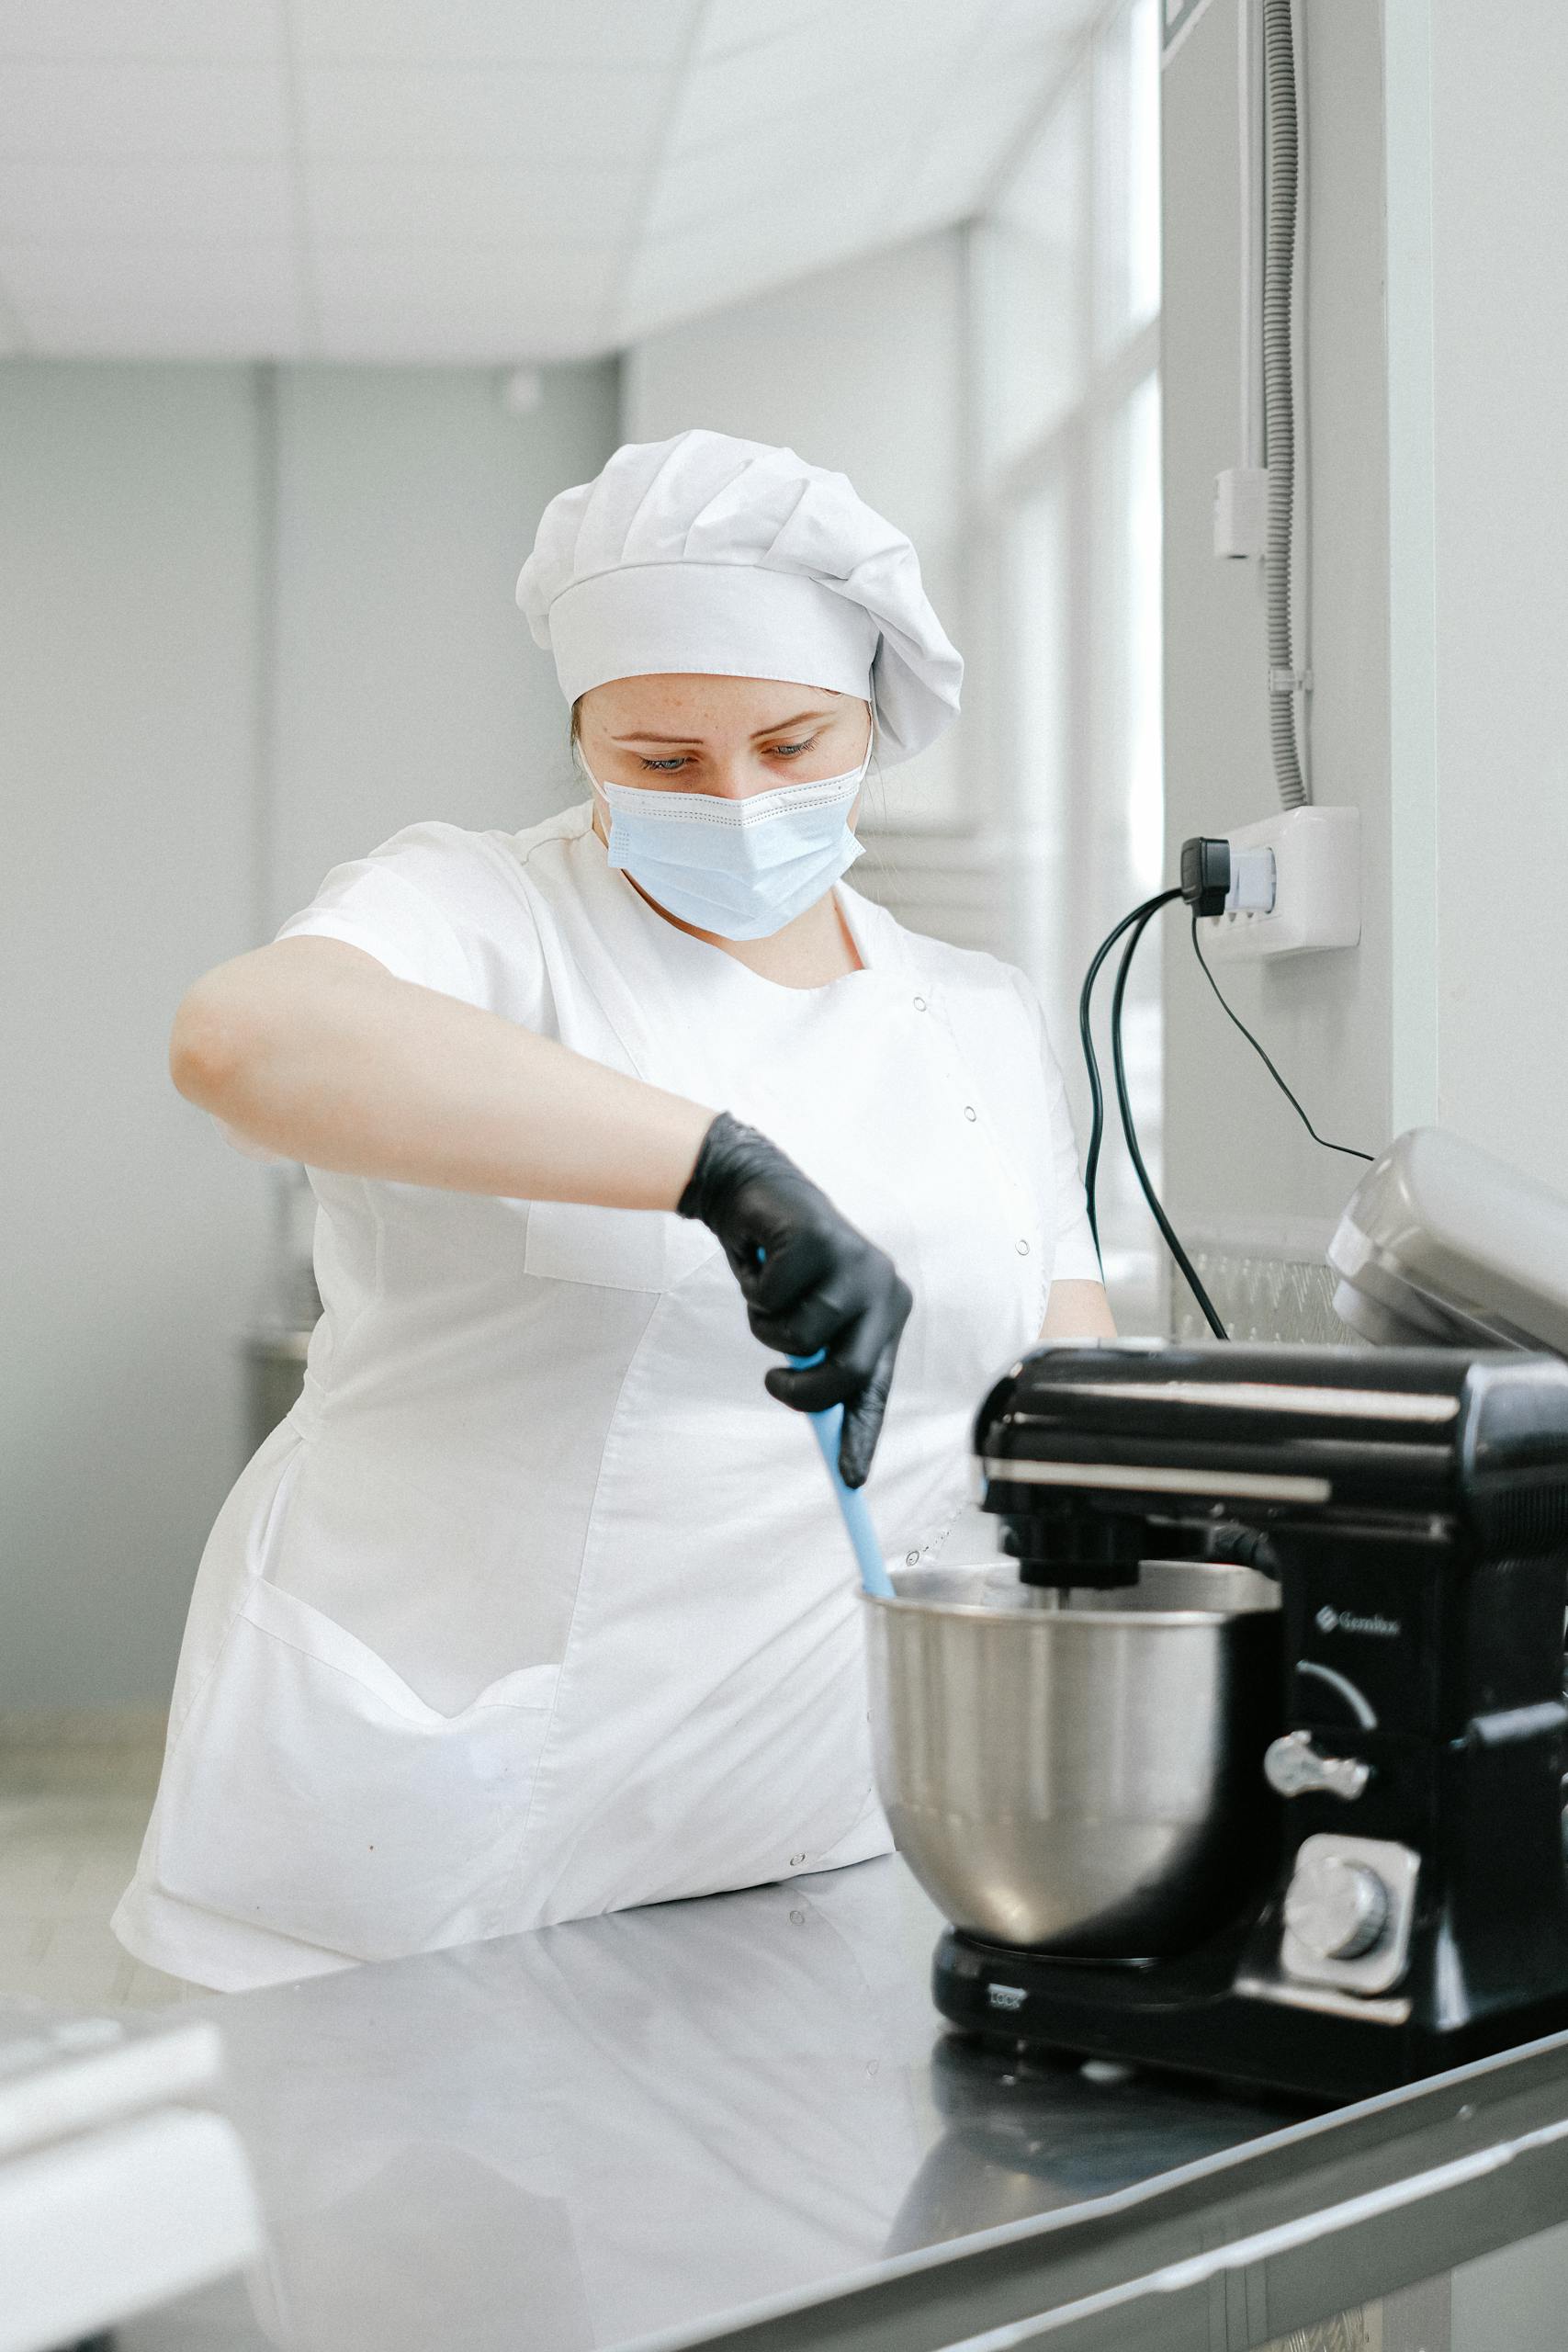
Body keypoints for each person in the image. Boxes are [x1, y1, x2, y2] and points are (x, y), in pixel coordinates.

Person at [112, 430, 1113, 1992]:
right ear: (584, 732)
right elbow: (238, 1043)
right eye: (660, 760)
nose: (733, 800)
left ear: (875, 719)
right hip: (441, 1854)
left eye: (792, 748)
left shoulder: (972, 1016)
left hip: (818, 1852)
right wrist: (720, 1169)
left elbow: (1068, 1398)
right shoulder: (481, 914)